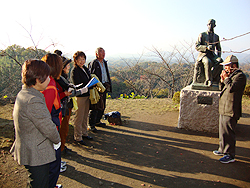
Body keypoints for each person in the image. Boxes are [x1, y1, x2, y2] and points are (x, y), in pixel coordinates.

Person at [10, 59, 61, 188]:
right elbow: (47, 127)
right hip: (36, 151)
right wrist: (57, 140)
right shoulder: (33, 100)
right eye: (47, 77)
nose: (49, 79)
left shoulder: (24, 93)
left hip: (29, 145)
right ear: (38, 79)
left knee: (34, 181)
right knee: (40, 183)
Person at [213, 55, 246, 163]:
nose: (225, 68)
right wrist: (222, 80)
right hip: (224, 107)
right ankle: (222, 149)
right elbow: (223, 89)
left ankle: (230, 154)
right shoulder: (231, 76)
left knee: (229, 132)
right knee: (222, 131)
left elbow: (232, 88)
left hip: (231, 109)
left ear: (234, 65)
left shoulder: (240, 76)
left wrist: (226, 79)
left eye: (227, 66)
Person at [41, 53, 67, 187]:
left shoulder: (44, 81)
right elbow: (44, 114)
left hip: (48, 131)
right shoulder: (50, 85)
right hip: (50, 131)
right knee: (52, 166)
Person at [193, 19, 223, 86]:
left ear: (215, 25)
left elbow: (219, 48)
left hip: (212, 55)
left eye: (212, 24)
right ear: (207, 25)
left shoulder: (216, 37)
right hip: (203, 55)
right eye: (209, 24)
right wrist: (206, 47)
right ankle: (208, 80)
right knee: (207, 62)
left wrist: (218, 56)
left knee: (220, 61)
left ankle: (212, 77)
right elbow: (197, 46)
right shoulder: (202, 34)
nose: (211, 25)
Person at [70, 51, 92, 145]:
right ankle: (78, 137)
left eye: (83, 59)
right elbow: (77, 84)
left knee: (85, 115)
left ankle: (84, 133)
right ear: (75, 60)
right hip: (80, 96)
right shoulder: (75, 70)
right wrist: (85, 86)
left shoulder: (85, 69)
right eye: (79, 59)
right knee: (79, 116)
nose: (82, 61)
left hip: (87, 95)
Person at [88, 47, 112, 131]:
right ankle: (92, 124)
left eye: (104, 52)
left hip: (104, 86)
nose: (103, 53)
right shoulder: (94, 63)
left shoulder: (104, 62)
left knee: (102, 105)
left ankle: (98, 121)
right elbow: (91, 75)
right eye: (101, 52)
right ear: (96, 54)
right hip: (97, 87)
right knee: (95, 106)